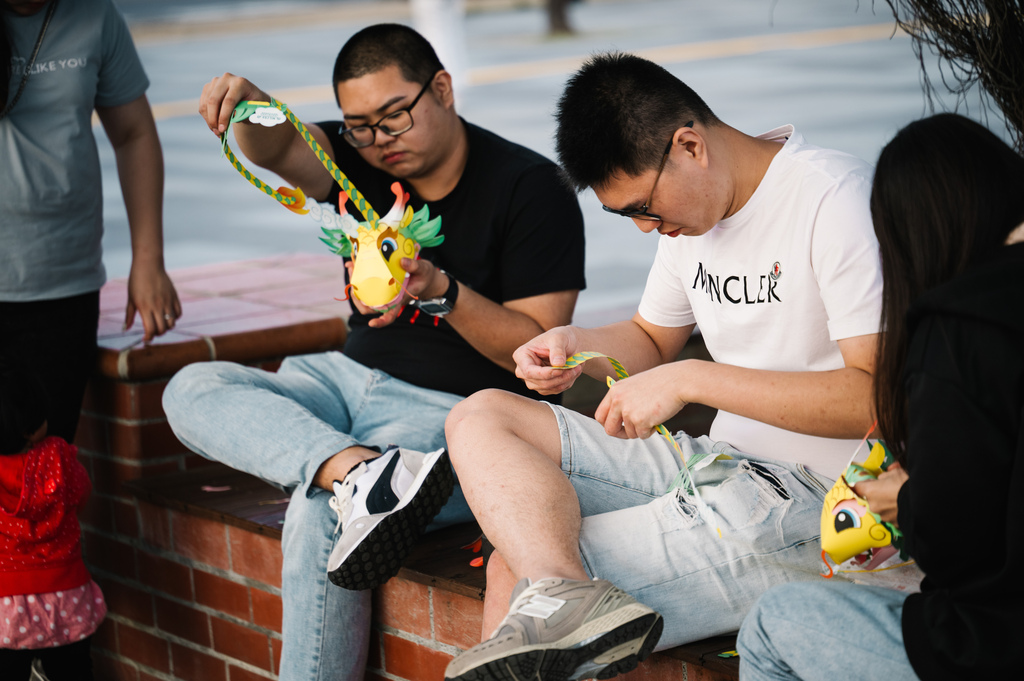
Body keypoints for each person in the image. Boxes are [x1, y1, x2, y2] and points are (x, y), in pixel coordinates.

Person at [161, 23, 586, 681]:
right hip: (344, 377)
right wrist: (254, 105)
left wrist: (442, 291)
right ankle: (360, 472)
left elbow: (538, 350)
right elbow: (278, 146)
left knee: (320, 511)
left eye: (394, 117)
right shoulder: (355, 158)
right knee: (190, 387)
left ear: (441, 88)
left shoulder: (530, 186)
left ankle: (360, 482)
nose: (379, 140)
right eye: (359, 126)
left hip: (455, 414)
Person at [443, 52, 884, 681]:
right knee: (481, 417)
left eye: (642, 207)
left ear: (689, 146)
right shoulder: (691, 221)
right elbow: (650, 340)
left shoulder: (835, 199)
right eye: (626, 216)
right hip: (718, 466)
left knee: (514, 574)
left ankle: (563, 604)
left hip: (824, 500)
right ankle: (567, 599)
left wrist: (692, 379)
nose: (646, 229)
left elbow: (874, 399)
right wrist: (575, 343)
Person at [737, 114, 1024, 680]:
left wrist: (905, 501)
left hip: (996, 646)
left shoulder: (957, 333)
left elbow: (957, 548)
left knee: (771, 624)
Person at [0, 0, 181, 443]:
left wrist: (148, 261)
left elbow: (134, 134)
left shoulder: (94, 14)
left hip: (62, 286)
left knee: (48, 463)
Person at [0, 370, 107, 681]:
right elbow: (81, 493)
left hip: (6, 603)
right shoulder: (59, 456)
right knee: (74, 671)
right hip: (67, 594)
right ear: (30, 429)